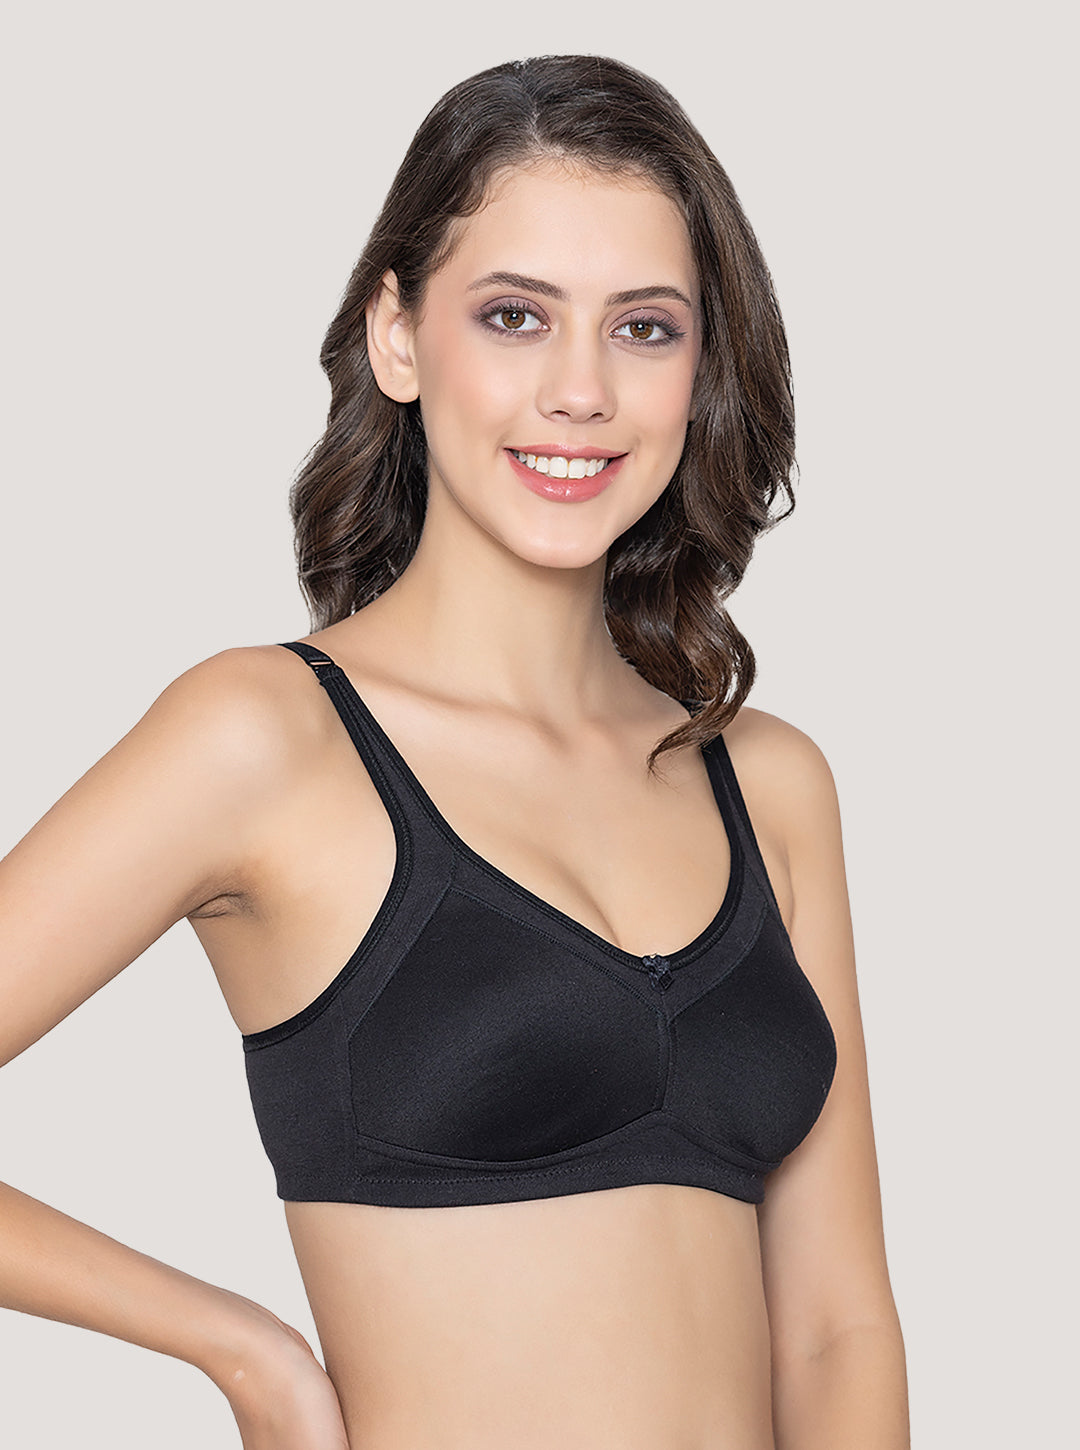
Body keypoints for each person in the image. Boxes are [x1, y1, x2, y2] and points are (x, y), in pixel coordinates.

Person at [0, 52, 909, 1450]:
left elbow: (839, 1326)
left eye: (644, 328)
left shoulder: (769, 782)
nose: (580, 390)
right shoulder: (267, 738)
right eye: (514, 316)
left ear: (702, 367)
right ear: (398, 337)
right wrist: (244, 1351)